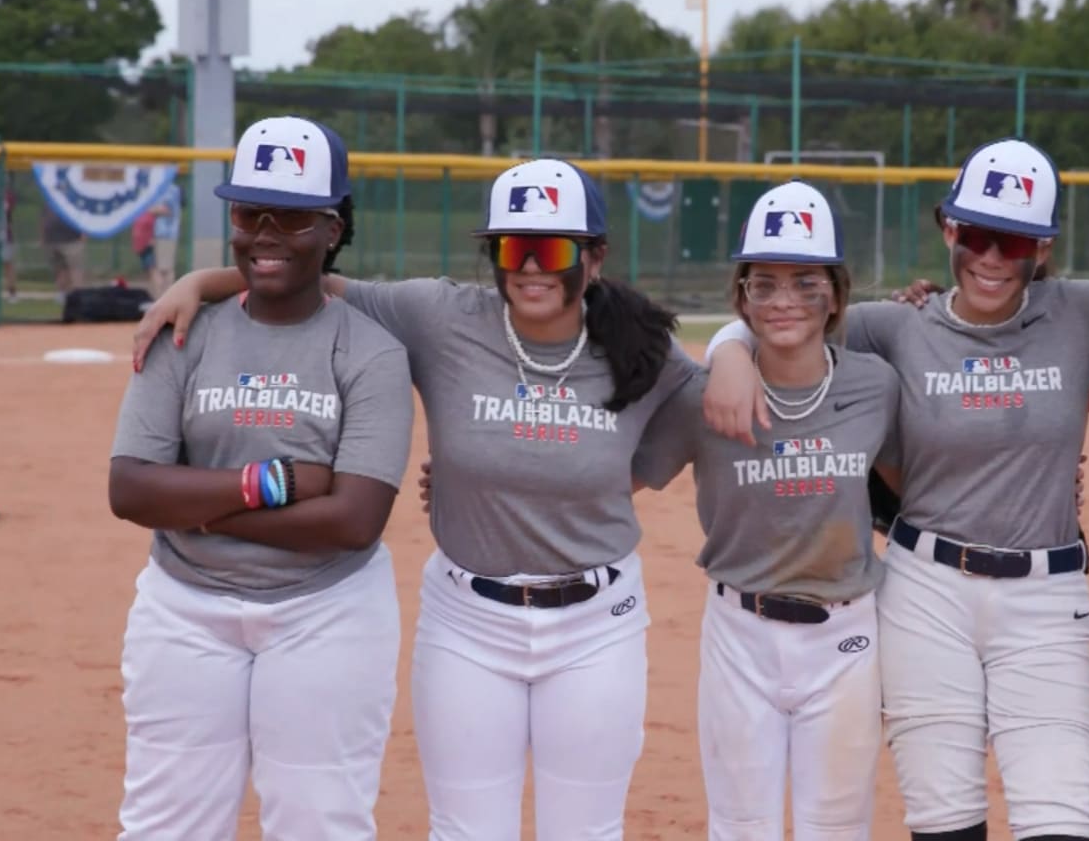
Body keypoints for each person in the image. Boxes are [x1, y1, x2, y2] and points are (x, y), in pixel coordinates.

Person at [702, 138, 1089, 841]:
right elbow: (789, 311)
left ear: (1043, 247)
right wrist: (728, 346)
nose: (992, 258)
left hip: (1045, 594)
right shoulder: (899, 326)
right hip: (924, 591)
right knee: (943, 817)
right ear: (948, 230)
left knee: (1058, 815)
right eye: (975, 235)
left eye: (1014, 242)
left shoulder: (1084, 314)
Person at [131, 156, 702, 841]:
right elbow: (306, 276)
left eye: (551, 250)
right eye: (510, 248)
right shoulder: (440, 316)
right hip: (469, 619)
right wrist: (199, 281)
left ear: (595, 257)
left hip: (596, 622)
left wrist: (721, 361)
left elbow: (694, 415)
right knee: (463, 829)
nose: (529, 268)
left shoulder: (645, 352)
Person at [107, 115, 414, 840]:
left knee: (321, 824)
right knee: (165, 826)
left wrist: (193, 504)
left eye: (294, 217)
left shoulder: (369, 351)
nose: (265, 233)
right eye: (249, 213)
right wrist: (266, 484)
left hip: (327, 611)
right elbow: (129, 490)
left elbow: (353, 521)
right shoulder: (184, 331)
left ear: (333, 228)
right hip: (184, 608)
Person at [627, 180, 901, 839]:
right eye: (765, 284)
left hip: (848, 635)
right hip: (738, 633)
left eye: (807, 283)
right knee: (740, 824)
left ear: (836, 293)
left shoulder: (874, 386)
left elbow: (917, 491)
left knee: (837, 825)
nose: (785, 301)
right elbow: (610, 481)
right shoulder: (703, 400)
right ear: (742, 295)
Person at [150, 183, 183, 299]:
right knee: (163, 267)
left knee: (163, 269)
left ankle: (163, 297)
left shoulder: (169, 189)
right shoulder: (170, 188)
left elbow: (164, 209)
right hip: (165, 234)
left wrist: (147, 208)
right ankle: (164, 297)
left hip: (166, 233)